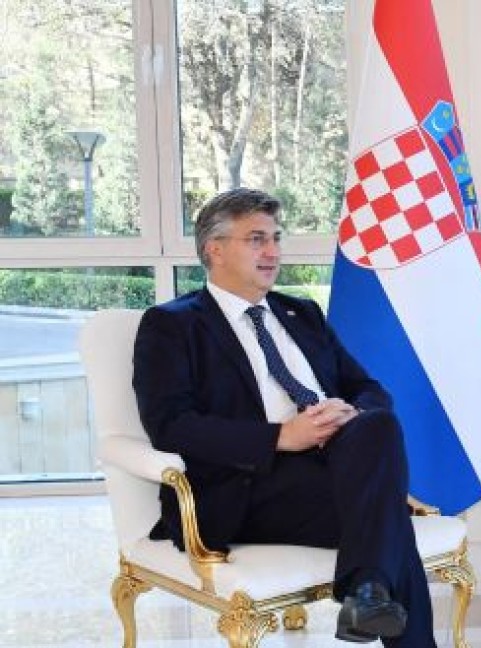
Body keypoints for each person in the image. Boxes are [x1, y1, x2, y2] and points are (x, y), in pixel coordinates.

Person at [133, 188, 436, 646]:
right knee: (386, 514)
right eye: (256, 239)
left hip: (333, 465)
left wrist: (347, 412)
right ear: (215, 249)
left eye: (276, 238)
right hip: (246, 485)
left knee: (377, 422)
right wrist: (281, 437)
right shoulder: (172, 324)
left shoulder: (302, 313)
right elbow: (170, 424)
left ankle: (368, 594)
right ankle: (368, 593)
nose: (273, 251)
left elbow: (369, 388)